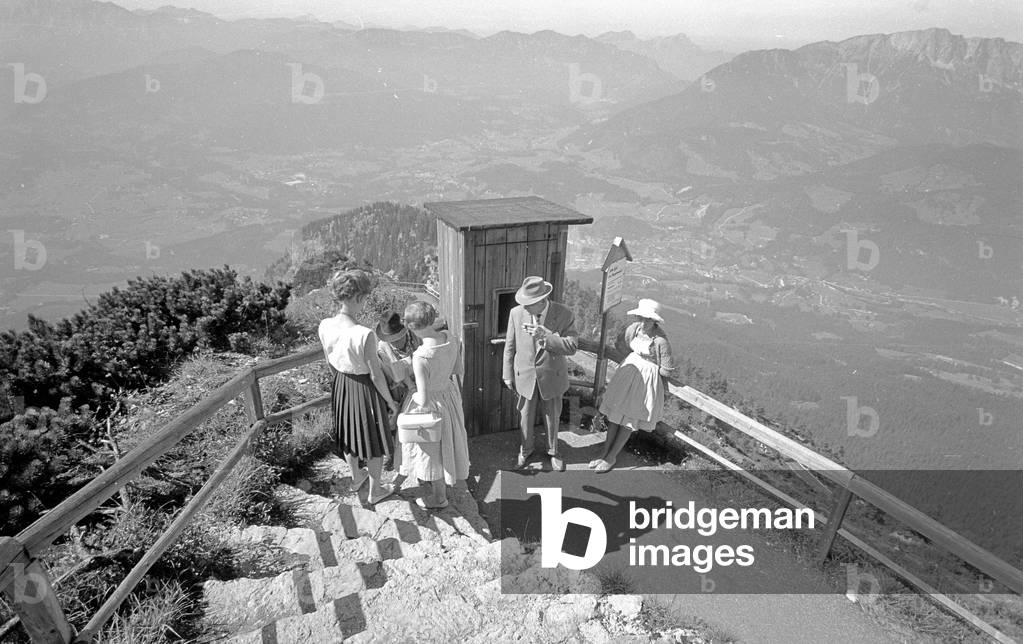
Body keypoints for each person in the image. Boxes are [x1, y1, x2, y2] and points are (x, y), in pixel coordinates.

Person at [318, 269, 399, 504]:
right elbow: (375, 375)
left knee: (348, 432)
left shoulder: (325, 325)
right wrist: (390, 402)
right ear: (358, 298)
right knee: (374, 440)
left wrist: (341, 383)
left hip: (341, 384)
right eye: (365, 298)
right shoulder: (364, 334)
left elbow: (329, 361)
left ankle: (356, 477)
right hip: (365, 389)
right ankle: (376, 491)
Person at [399, 301, 470, 509]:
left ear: (411, 327)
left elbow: (422, 397)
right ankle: (447, 485)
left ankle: (439, 498)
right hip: (449, 395)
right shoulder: (451, 338)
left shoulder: (420, 356)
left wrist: (407, 380)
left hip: (432, 403)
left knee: (433, 451)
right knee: (449, 442)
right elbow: (458, 369)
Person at [503, 276, 579, 471]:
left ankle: (554, 452)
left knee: (552, 416)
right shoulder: (516, 313)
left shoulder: (564, 314)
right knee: (525, 416)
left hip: (553, 377)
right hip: (524, 376)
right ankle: (525, 451)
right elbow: (509, 346)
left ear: (542, 301)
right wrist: (507, 374)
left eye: (528, 304)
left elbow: (571, 347)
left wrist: (546, 336)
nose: (524, 307)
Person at [592, 298, 675, 473]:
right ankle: (605, 450)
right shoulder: (633, 329)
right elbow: (620, 343)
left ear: (655, 321)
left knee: (629, 419)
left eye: (648, 319)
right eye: (641, 317)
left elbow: (667, 369)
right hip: (628, 373)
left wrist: (649, 370)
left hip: (644, 381)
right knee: (616, 414)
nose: (643, 322)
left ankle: (611, 456)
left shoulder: (661, 341)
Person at [375, 310, 421, 470]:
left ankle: (418, 456)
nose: (394, 342)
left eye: (397, 337)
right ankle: (396, 457)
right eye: (391, 339)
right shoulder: (383, 346)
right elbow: (395, 371)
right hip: (396, 386)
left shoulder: (416, 336)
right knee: (396, 422)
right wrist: (412, 387)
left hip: (419, 382)